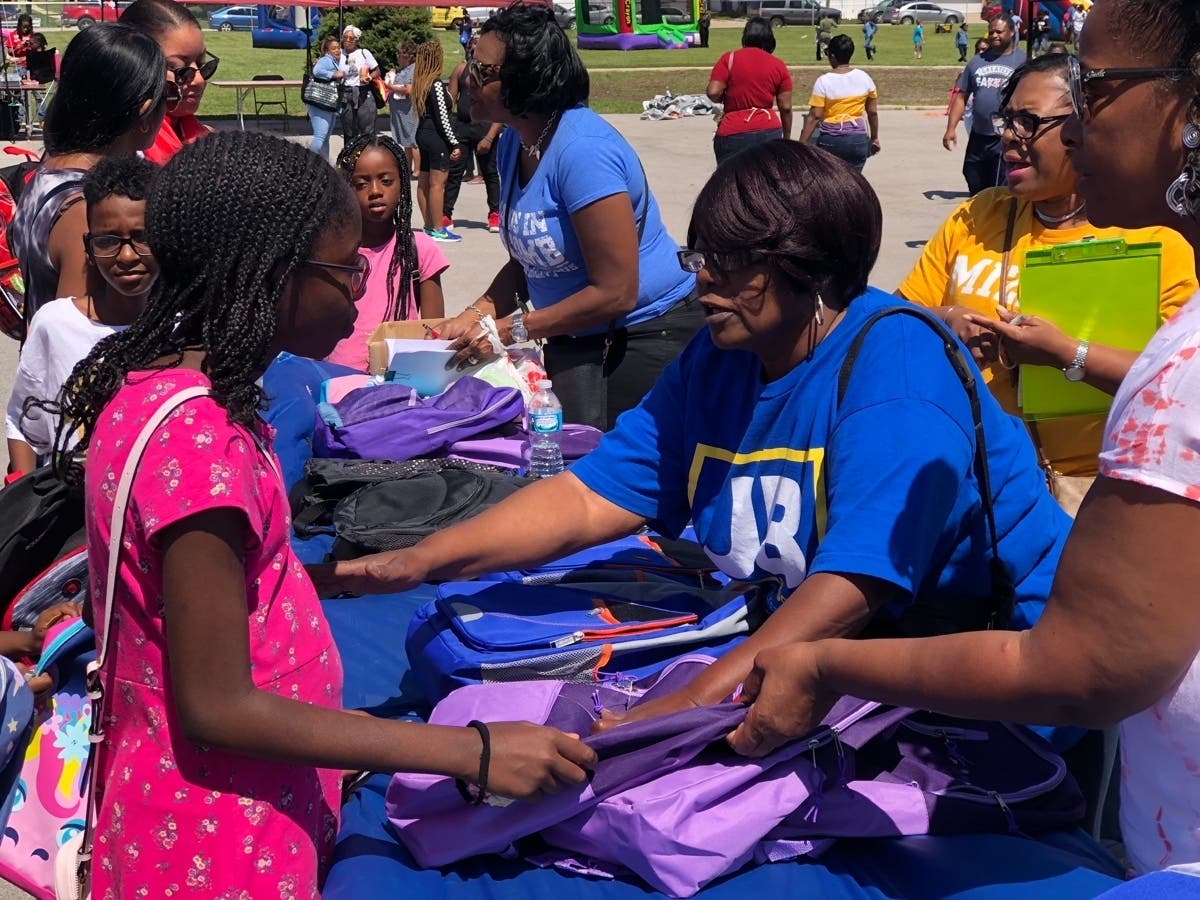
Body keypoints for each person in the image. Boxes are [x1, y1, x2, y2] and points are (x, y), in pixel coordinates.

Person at [316, 139, 1071, 737]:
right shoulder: (720, 354)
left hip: (998, 686)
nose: (701, 281)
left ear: (808, 269)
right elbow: (588, 500)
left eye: (729, 262)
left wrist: (659, 717)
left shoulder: (894, 365)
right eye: (698, 255)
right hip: (848, 668)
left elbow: (852, 590)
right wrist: (419, 561)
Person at [724, 0, 1200, 881]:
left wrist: (827, 664)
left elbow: (1078, 667)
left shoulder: (1180, 371)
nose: (1015, 132)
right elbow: (905, 318)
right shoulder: (977, 220)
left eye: (1091, 90)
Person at [51, 131, 595, 896]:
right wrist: (467, 752)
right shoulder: (203, 442)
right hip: (219, 849)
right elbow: (216, 704)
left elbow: (192, 585)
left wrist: (313, 577)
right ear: (273, 275)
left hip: (195, 816)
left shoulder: (154, 395)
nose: (356, 292)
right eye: (345, 271)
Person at [900, 53, 1197, 515]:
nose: (1008, 137)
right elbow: (895, 318)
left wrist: (1065, 354)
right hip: (978, 483)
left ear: (1084, 129)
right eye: (1006, 119)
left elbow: (1180, 389)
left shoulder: (1151, 237)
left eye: (1028, 122)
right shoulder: (976, 216)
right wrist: (946, 322)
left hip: (1097, 495)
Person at [437, 3, 703, 431]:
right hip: (577, 337)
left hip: (646, 337)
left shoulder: (583, 153)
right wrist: (478, 313)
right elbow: (535, 257)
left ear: (525, 82)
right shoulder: (514, 142)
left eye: (484, 71)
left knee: (611, 479)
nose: (468, 77)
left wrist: (508, 330)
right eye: (471, 62)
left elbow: (616, 292)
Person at [9, 24, 171, 334]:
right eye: (168, 93)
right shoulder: (87, 210)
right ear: (145, 111)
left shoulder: (48, 170)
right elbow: (78, 343)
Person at [7, 155, 159, 477]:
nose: (128, 256)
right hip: (72, 517)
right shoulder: (55, 325)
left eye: (143, 237)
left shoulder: (183, 331)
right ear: (89, 247)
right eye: (108, 241)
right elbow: (23, 424)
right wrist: (22, 491)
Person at [326, 134, 448, 372]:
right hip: (337, 380)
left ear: (401, 183)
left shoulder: (420, 249)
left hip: (399, 381)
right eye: (361, 184)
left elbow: (435, 332)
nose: (375, 191)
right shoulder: (331, 252)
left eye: (386, 181)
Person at [120, 0, 216, 165]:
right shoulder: (122, 153)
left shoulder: (207, 138)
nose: (199, 80)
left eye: (202, 65)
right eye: (180, 70)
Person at [944, 16, 1026, 195]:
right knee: (972, 173)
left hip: (1006, 136)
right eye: (991, 32)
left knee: (1001, 183)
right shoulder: (977, 61)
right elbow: (961, 96)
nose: (994, 35)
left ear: (1011, 32)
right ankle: (980, 214)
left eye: (999, 31)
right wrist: (951, 129)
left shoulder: (1024, 61)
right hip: (979, 135)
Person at [706, 17, 793, 165]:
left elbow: (713, 92)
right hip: (768, 129)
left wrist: (725, 97)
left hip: (733, 130)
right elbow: (785, 107)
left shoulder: (729, 59)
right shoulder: (778, 64)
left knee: (730, 181)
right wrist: (787, 137)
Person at [446, 38, 502, 233]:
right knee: (454, 172)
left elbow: (502, 107)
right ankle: (446, 214)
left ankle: (495, 213)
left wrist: (489, 137)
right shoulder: (461, 69)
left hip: (485, 129)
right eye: (471, 43)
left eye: (478, 44)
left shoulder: (495, 73)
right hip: (461, 128)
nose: (473, 47)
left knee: (490, 173)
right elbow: (449, 101)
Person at [800, 34, 879, 172]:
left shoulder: (823, 81)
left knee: (832, 183)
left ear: (832, 56)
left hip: (831, 140)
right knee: (854, 182)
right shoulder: (864, 78)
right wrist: (874, 138)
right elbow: (872, 112)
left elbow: (815, 116)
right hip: (858, 139)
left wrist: (801, 145)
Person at [412, 40, 463, 243]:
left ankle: (428, 226)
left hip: (422, 134)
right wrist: (454, 143)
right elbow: (443, 118)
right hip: (436, 138)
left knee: (423, 182)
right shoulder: (436, 85)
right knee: (437, 185)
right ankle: (438, 228)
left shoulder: (420, 83)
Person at [338, 25, 379, 146]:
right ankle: (349, 160)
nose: (347, 41)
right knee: (349, 132)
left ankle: (368, 159)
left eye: (351, 38)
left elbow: (377, 71)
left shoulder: (363, 53)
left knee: (367, 131)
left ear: (357, 40)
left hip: (363, 93)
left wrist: (369, 77)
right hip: (346, 94)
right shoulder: (338, 54)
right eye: (345, 37)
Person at [385, 40, 420, 179]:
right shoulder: (403, 69)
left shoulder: (414, 69)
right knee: (406, 141)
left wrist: (391, 87)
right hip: (401, 111)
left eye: (399, 54)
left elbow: (409, 89)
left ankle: (417, 170)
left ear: (407, 56)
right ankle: (407, 167)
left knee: (413, 140)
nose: (397, 57)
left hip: (409, 110)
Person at [306, 36, 344, 162]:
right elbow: (317, 71)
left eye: (338, 47)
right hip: (320, 103)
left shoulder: (335, 62)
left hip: (328, 104)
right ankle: (305, 161)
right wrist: (333, 74)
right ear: (327, 51)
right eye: (333, 48)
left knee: (325, 137)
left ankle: (324, 164)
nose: (337, 50)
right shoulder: (326, 60)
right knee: (320, 136)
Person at [5, 14, 33, 78]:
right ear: (19, 25)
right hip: (19, 66)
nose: (26, 29)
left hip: (32, 65)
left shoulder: (34, 35)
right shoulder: (12, 35)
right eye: (24, 27)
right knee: (20, 74)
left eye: (28, 27)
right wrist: (19, 47)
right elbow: (10, 52)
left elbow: (39, 51)